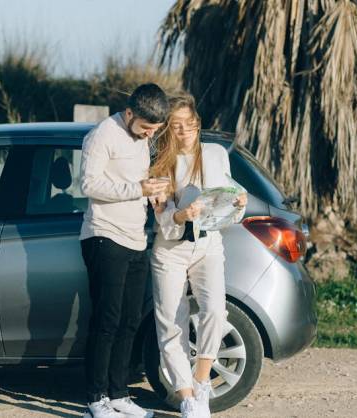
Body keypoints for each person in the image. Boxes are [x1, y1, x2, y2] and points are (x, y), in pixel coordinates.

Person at [149, 94, 247, 418]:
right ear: (167, 128)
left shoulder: (216, 154)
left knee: (215, 310)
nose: (184, 131)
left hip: (209, 244)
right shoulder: (159, 163)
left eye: (189, 124)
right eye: (176, 126)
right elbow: (163, 219)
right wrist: (181, 214)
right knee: (170, 323)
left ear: (198, 123)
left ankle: (202, 382)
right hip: (171, 249)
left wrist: (238, 204)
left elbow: (228, 201)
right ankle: (188, 398)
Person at [79, 83, 170, 418]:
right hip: (104, 236)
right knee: (107, 320)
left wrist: (152, 194)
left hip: (136, 239)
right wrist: (138, 189)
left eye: (155, 129)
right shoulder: (102, 135)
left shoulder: (143, 138)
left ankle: (118, 394)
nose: (150, 134)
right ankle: (96, 399)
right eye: (146, 127)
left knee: (130, 320)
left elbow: (137, 184)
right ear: (130, 113)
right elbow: (88, 184)